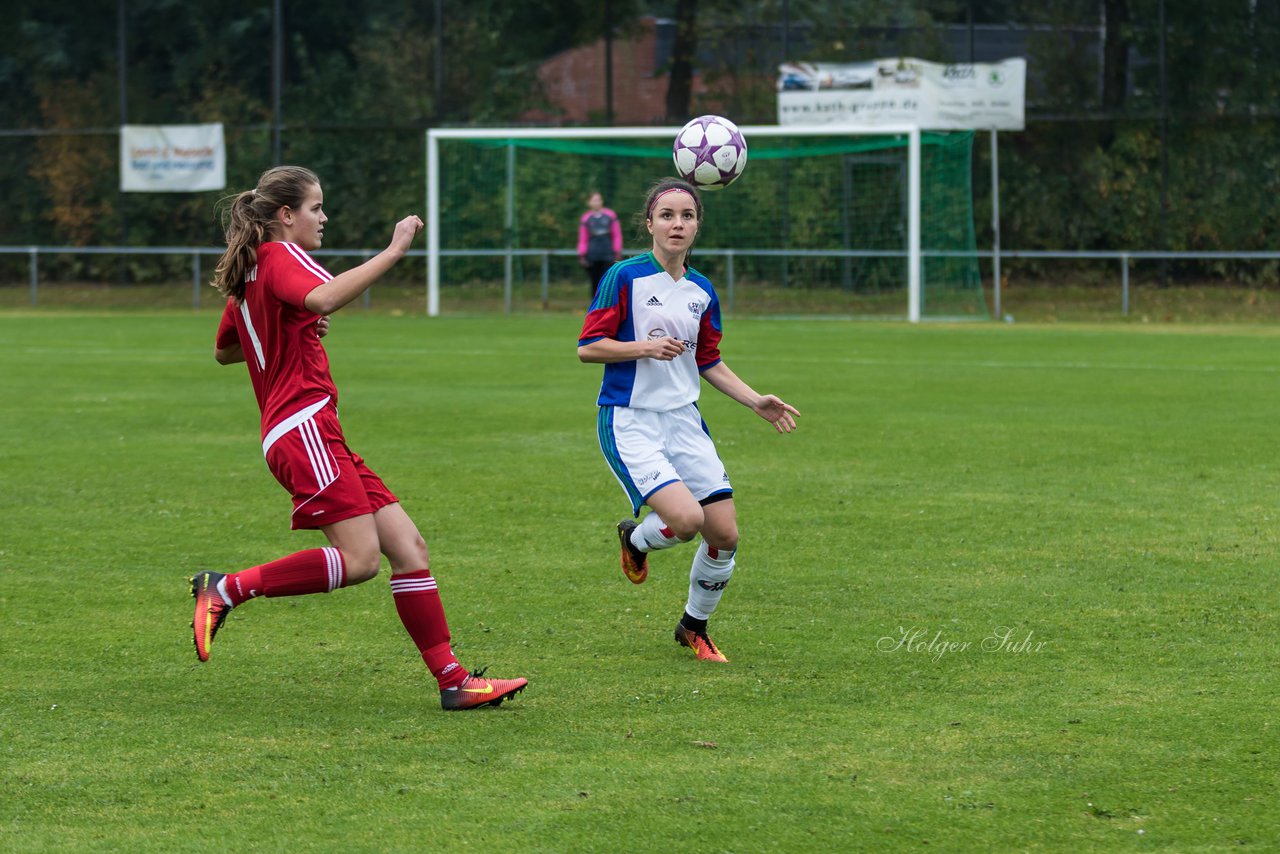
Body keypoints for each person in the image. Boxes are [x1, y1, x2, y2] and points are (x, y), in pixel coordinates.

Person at [193, 165, 527, 711]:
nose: (323, 218)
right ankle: (227, 588)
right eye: (316, 208)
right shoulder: (278, 255)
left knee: (409, 549)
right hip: (304, 429)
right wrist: (394, 251)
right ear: (286, 216)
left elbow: (227, 350)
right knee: (359, 560)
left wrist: (295, 323)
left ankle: (454, 680)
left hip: (311, 430)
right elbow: (323, 299)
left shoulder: (251, 268)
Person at [576, 177, 800, 663]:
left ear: (698, 225)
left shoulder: (701, 290)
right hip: (630, 419)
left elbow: (708, 360)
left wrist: (754, 400)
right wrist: (643, 347)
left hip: (683, 421)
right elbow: (588, 347)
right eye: (667, 215)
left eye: (688, 216)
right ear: (650, 224)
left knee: (725, 534)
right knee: (686, 520)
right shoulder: (624, 276)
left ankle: (693, 626)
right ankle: (635, 537)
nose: (677, 224)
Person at [577, 190, 623, 300]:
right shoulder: (586, 218)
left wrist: (617, 251)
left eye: (598, 200)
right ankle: (595, 309)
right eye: (594, 200)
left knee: (607, 282)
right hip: (592, 256)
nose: (597, 202)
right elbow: (583, 238)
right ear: (589, 202)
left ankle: (607, 306)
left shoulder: (610, 216)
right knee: (594, 283)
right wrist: (582, 254)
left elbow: (616, 235)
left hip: (608, 255)